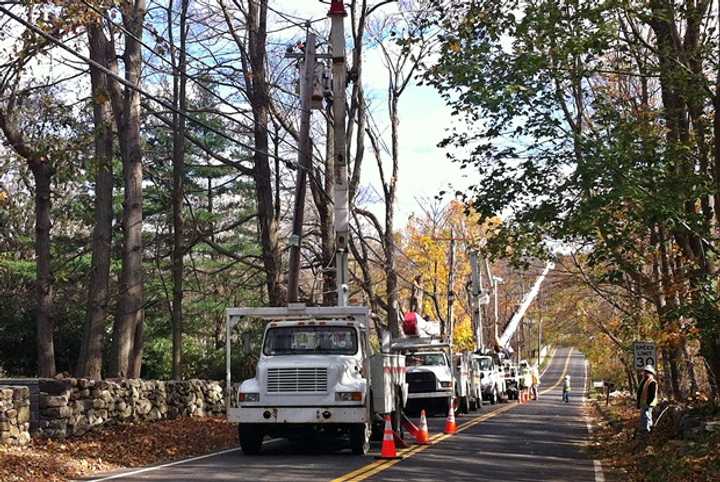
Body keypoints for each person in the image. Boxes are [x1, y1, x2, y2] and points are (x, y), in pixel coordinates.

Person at [636, 365, 658, 433]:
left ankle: (647, 430)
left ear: (650, 373)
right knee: (644, 417)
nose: (644, 373)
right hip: (644, 403)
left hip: (648, 403)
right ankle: (644, 430)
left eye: (646, 372)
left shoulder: (652, 382)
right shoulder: (645, 381)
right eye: (645, 372)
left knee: (647, 416)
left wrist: (648, 402)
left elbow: (652, 394)